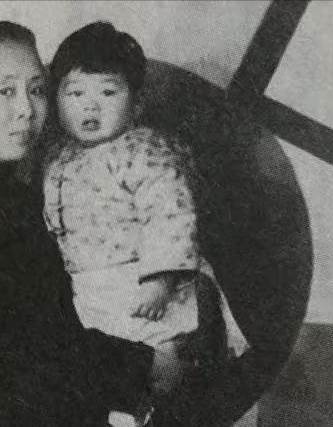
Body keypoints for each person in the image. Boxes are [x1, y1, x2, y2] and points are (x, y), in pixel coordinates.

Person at [0, 20, 159, 426]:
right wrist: (152, 366)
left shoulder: (18, 195)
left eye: (37, 90)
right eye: (6, 91)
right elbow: (34, 361)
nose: (26, 109)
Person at [41, 22, 222, 426]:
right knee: (102, 358)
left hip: (139, 279)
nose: (90, 107)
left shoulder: (144, 151)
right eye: (75, 94)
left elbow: (170, 213)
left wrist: (160, 279)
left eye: (108, 93)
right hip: (89, 285)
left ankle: (153, 401)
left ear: (136, 103)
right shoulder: (59, 157)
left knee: (154, 352)